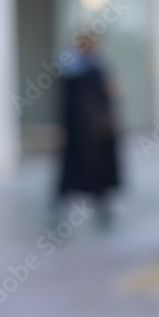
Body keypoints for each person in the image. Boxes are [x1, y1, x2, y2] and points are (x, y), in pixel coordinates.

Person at [49, 27, 121, 231]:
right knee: (82, 170)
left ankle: (97, 207)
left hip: (85, 132)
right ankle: (74, 207)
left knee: (84, 172)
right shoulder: (82, 68)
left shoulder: (84, 67)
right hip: (85, 132)